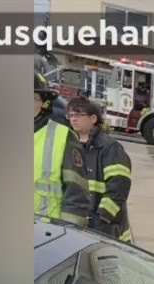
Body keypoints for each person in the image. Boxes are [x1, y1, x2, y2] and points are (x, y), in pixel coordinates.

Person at [65, 97, 133, 242]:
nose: (73, 119)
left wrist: (103, 218)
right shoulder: (69, 145)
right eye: (71, 115)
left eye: (79, 115)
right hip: (77, 223)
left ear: (93, 118)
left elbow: (119, 186)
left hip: (106, 227)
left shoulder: (110, 148)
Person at [35, 73, 90, 225]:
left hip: (45, 232)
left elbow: (76, 197)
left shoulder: (63, 137)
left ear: (45, 103)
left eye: (33, 98)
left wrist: (67, 233)